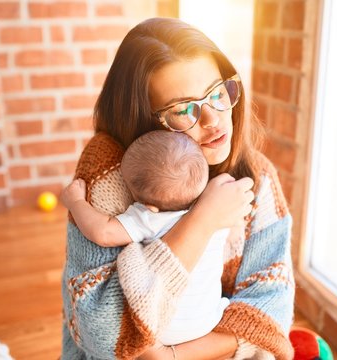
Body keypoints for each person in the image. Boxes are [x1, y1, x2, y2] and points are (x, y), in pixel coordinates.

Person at [61, 17, 295, 360]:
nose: (213, 120)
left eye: (218, 93)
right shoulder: (110, 170)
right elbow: (104, 332)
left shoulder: (255, 176)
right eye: (183, 110)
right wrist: (202, 221)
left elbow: (273, 307)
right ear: (141, 120)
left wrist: (171, 355)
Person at [60, 130, 232, 346]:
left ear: (148, 205)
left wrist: (76, 202)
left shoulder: (149, 216)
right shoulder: (218, 208)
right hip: (208, 320)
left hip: (163, 328)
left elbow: (102, 232)